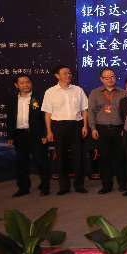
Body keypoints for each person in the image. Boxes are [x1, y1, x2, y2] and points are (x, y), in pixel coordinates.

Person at [41, 65, 89, 195]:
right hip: (58, 126)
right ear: (57, 76)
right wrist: (49, 131)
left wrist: (85, 126)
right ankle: (64, 186)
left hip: (76, 125)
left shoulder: (78, 90)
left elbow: (84, 109)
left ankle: (79, 185)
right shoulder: (50, 92)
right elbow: (47, 114)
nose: (68, 75)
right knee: (61, 156)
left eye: (69, 73)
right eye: (65, 73)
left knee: (79, 156)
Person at [7, 74, 50, 197]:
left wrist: (45, 133)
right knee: (21, 163)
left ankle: (45, 186)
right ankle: (23, 188)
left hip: (36, 134)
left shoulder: (39, 98)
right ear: (16, 85)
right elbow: (10, 118)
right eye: (22, 83)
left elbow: (45, 117)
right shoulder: (12, 99)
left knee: (41, 161)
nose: (25, 85)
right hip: (19, 135)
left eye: (27, 82)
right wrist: (10, 136)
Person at [88, 67, 126, 194]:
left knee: (120, 158)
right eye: (106, 77)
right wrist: (93, 128)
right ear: (101, 79)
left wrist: (125, 128)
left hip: (119, 129)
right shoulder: (95, 93)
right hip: (101, 129)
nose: (110, 79)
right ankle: (106, 185)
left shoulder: (123, 92)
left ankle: (122, 184)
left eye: (112, 76)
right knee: (104, 158)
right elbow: (91, 112)